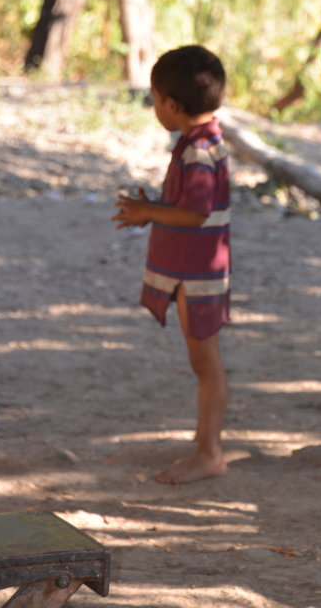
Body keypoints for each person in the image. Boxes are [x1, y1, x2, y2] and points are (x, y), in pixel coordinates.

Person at [112, 44, 231, 485]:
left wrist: (148, 213)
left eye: (155, 99)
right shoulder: (199, 141)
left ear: (172, 105)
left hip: (197, 274)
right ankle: (207, 445)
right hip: (195, 270)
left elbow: (195, 213)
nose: (155, 108)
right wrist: (154, 207)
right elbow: (186, 204)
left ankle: (209, 452)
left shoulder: (199, 150)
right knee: (205, 361)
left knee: (206, 363)